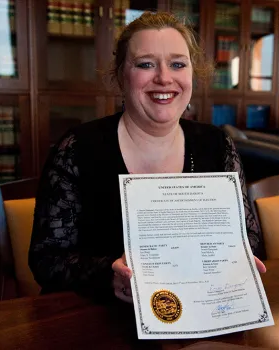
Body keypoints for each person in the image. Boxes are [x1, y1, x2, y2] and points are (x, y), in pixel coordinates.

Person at [29, 12, 266, 304]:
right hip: (96, 317)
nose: (164, 78)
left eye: (178, 64)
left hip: (199, 309)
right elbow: (46, 259)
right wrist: (107, 273)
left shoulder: (218, 145)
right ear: (120, 76)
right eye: (146, 64)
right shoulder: (76, 149)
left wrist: (238, 259)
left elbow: (250, 238)